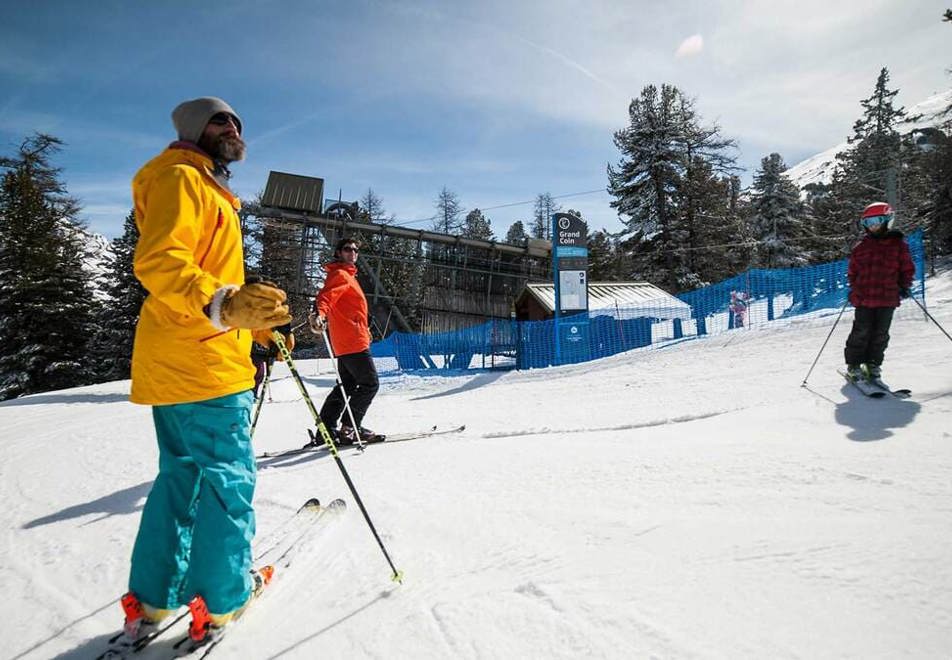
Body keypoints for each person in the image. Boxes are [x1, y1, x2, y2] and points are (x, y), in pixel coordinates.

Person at [119, 97, 292, 648]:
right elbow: (160, 261)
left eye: (239, 120)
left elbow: (210, 281)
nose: (234, 127)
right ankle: (222, 598)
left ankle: (152, 595)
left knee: (180, 479)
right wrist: (223, 307)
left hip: (181, 359)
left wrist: (255, 325)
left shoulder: (205, 188)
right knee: (227, 482)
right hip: (205, 365)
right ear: (196, 130)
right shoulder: (182, 180)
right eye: (221, 120)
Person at [308, 237, 382, 444]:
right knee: (370, 384)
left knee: (347, 385)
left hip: (348, 340)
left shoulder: (347, 275)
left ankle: (326, 427)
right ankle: (350, 428)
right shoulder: (340, 274)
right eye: (348, 249)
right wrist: (319, 314)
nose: (353, 253)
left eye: (355, 250)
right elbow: (326, 297)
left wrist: (364, 329)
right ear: (339, 253)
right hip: (352, 341)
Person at [844, 202, 914, 382]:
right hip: (864, 298)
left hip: (887, 297)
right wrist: (855, 287)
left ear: (887, 220)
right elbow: (853, 271)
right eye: (868, 223)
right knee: (861, 332)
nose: (873, 225)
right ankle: (854, 365)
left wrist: (905, 285)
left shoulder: (898, 245)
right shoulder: (861, 247)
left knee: (881, 334)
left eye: (876, 221)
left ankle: (873, 364)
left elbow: (907, 268)